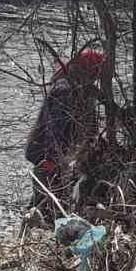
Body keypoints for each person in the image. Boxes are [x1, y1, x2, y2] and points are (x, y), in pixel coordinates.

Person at [26, 49, 105, 208]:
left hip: (59, 160)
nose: (95, 78)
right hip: (47, 160)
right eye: (94, 73)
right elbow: (55, 131)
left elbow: (89, 130)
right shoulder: (65, 90)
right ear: (86, 71)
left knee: (50, 207)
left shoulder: (80, 89)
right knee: (45, 208)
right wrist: (51, 161)